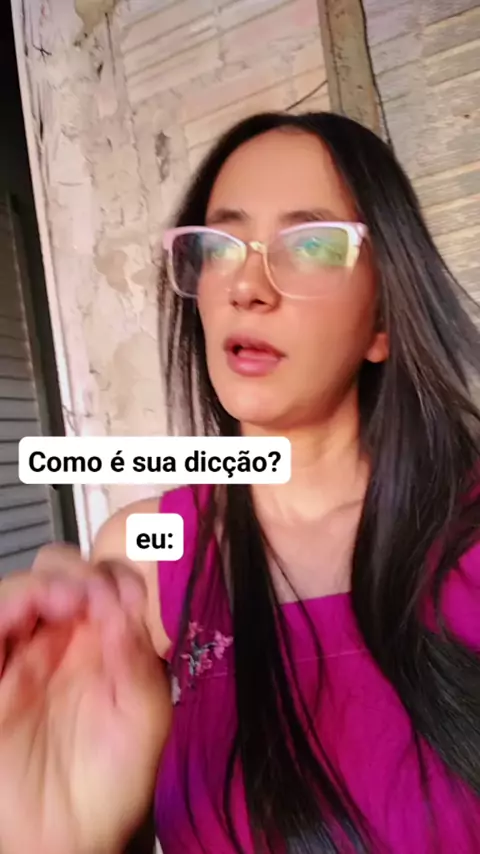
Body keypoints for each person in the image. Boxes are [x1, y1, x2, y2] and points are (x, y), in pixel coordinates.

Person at [1, 110, 480, 854]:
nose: (247, 286)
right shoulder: (146, 551)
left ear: (384, 320)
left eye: (312, 244)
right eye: (219, 247)